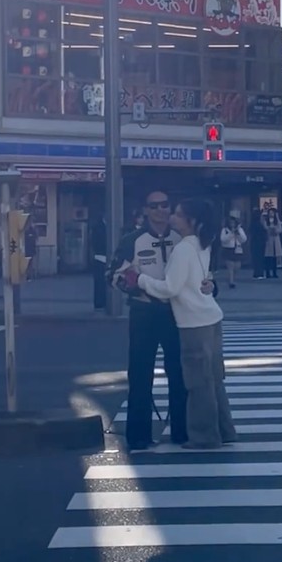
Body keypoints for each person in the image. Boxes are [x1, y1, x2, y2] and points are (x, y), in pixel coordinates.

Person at [137, 199, 237, 451]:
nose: (172, 217)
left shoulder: (182, 249)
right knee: (214, 379)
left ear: (191, 221)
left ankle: (204, 436)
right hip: (211, 317)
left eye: (179, 215)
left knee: (198, 382)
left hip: (193, 322)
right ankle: (225, 430)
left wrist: (141, 280)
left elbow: (170, 288)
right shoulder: (204, 243)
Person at [108, 190, 187, 451]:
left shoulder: (182, 239)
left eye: (165, 205)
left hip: (176, 312)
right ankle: (139, 435)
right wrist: (135, 286)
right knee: (140, 374)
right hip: (144, 313)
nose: (160, 210)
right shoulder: (133, 240)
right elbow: (114, 275)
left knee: (179, 373)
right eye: (154, 206)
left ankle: (182, 431)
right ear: (146, 210)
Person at [220, 214, 247, 289]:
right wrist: (231, 233)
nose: (232, 224)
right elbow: (223, 240)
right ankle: (231, 282)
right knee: (230, 266)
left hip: (238, 249)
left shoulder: (239, 229)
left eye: (233, 222)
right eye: (230, 222)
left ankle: (232, 278)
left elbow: (244, 239)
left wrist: (238, 234)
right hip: (228, 249)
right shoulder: (225, 230)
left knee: (237, 266)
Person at [92, 215, 107, 309]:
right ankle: (99, 302)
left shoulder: (105, 226)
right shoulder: (98, 227)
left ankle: (103, 301)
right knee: (99, 281)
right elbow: (96, 241)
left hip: (104, 256)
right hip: (100, 256)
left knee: (103, 282)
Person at [263, 207, 282, 278]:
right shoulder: (266, 220)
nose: (271, 214)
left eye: (273, 213)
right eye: (270, 213)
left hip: (276, 239)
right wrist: (270, 228)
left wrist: (275, 230)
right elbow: (265, 228)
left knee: (275, 257)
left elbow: (280, 229)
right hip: (269, 239)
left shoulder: (277, 221)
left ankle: (274, 272)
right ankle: (268, 272)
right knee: (268, 257)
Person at [249, 208, 266, 280]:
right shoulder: (260, 224)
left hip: (253, 242)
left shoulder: (252, 223)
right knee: (260, 258)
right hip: (260, 243)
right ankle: (260, 273)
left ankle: (256, 273)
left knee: (255, 258)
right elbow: (264, 233)